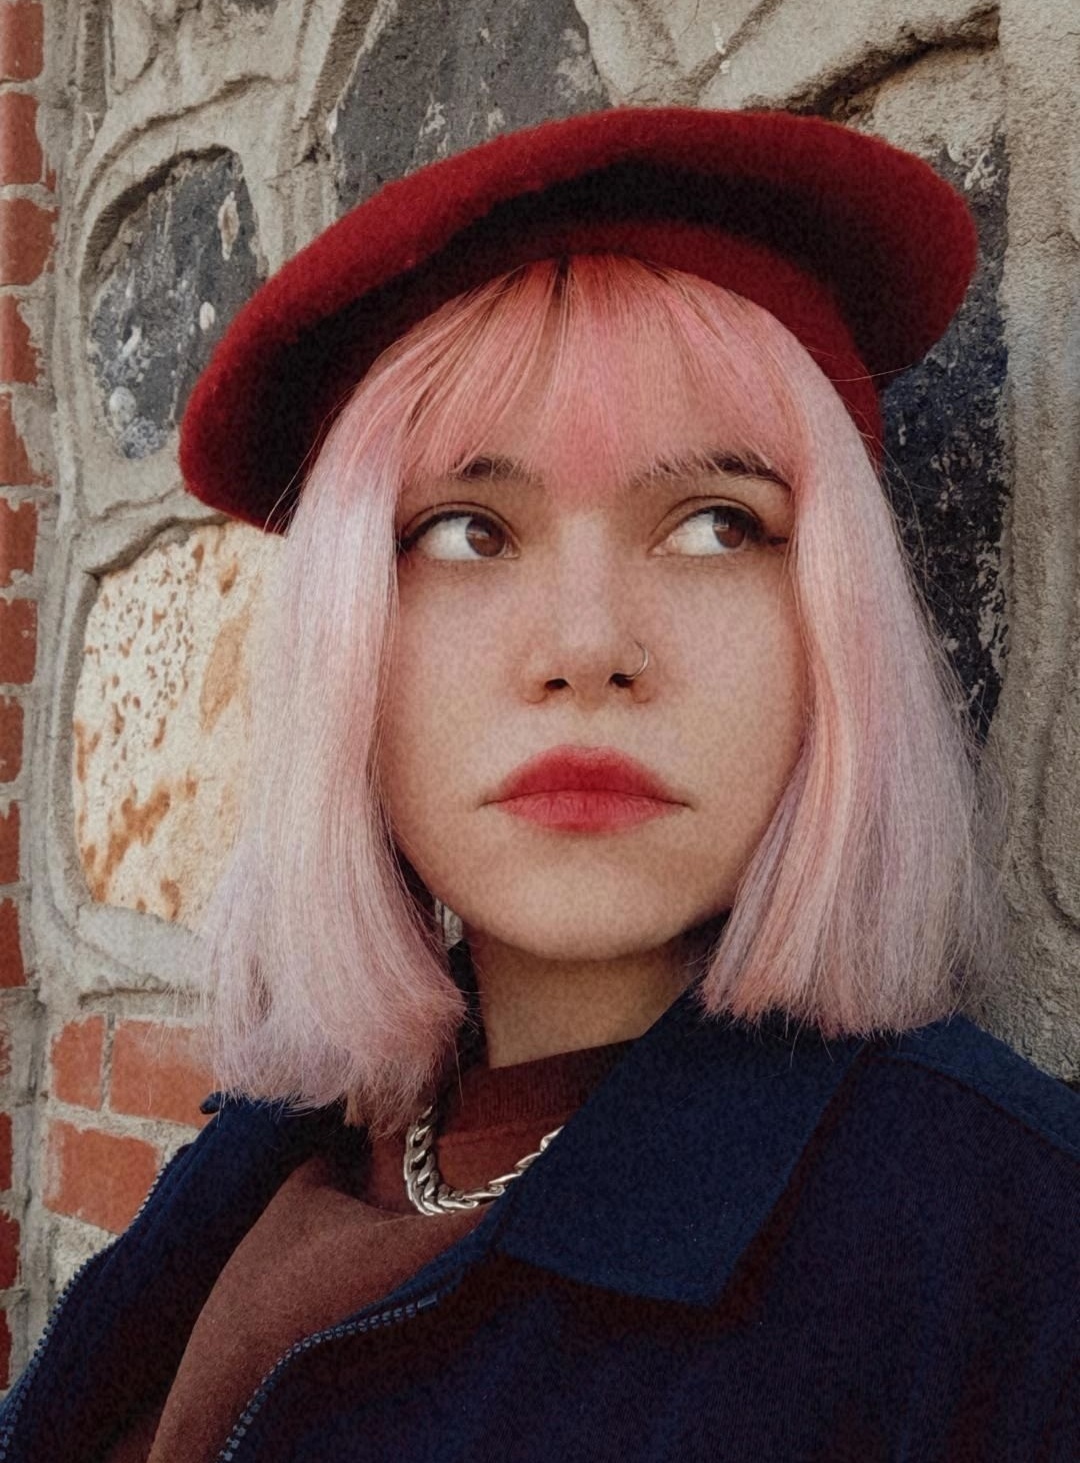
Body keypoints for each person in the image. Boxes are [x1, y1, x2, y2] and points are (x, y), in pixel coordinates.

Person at [2, 105, 1077, 1462]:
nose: (586, 646)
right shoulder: (278, 1144)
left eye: (715, 525)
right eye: (466, 531)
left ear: (837, 626)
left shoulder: (1009, 1260)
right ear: (348, 648)